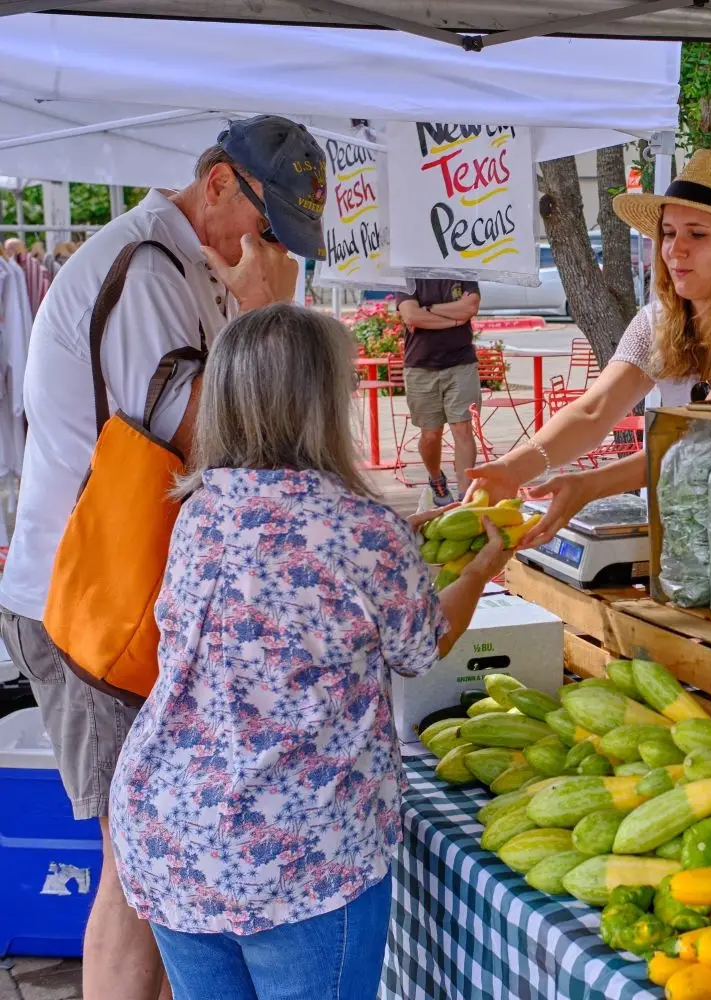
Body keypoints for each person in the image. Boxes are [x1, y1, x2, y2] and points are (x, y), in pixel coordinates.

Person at [0, 114, 327, 1000]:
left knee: (155, 859)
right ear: (218, 183)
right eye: (266, 228)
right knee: (137, 866)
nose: (267, 251)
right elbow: (219, 438)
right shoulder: (146, 269)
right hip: (92, 605)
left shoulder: (191, 265)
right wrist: (271, 320)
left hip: (139, 597)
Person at [109, 304, 512, 1000]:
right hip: (298, 849)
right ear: (323, 402)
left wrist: (395, 547)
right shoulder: (362, 528)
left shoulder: (201, 507)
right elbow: (421, 644)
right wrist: (475, 572)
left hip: (171, 829)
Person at [467, 149, 711, 547]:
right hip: (688, 535)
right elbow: (594, 411)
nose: (675, 249)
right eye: (669, 233)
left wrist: (591, 484)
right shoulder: (658, 319)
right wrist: (510, 469)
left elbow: (706, 438)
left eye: (697, 233)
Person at [397, 278, 482, 506]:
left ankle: (465, 497)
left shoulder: (461, 271)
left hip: (461, 363)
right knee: (430, 434)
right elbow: (411, 316)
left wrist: (429, 310)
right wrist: (455, 320)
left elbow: (470, 307)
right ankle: (436, 479)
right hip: (421, 366)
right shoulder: (408, 276)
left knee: (462, 427)